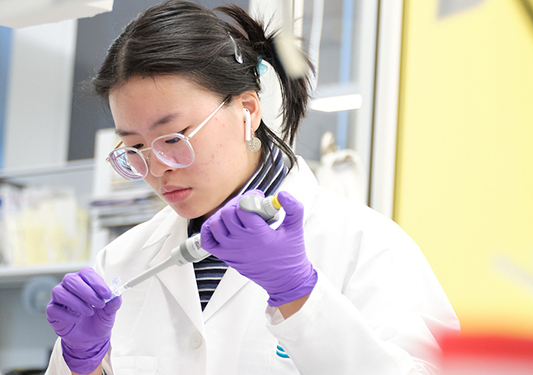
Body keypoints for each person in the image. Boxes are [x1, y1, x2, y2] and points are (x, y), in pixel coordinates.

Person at [42, 1, 459, 374]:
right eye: (134, 147)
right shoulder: (121, 262)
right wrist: (84, 365)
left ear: (247, 110)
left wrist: (299, 295)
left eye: (173, 138)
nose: (157, 168)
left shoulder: (364, 245)